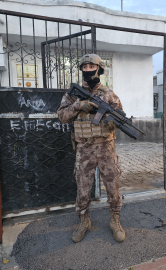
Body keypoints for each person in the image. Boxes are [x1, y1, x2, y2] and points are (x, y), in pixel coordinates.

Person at [57, 54, 125, 243]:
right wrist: (80, 105)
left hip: (106, 147)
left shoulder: (109, 94)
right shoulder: (73, 94)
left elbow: (119, 116)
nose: (87, 70)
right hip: (84, 148)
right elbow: (62, 116)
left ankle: (115, 220)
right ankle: (83, 221)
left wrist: (113, 122)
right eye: (84, 67)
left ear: (99, 69)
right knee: (83, 187)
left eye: (91, 67)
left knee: (112, 185)